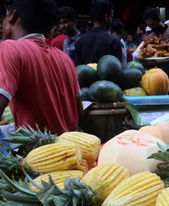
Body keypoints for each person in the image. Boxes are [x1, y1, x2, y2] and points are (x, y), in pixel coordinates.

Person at [0, 0, 82, 135]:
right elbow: (79, 112)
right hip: (71, 151)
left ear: (13, 16)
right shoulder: (65, 59)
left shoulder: (9, 48)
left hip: (34, 154)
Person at [75, 0, 122, 65]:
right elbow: (117, 70)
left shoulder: (79, 42)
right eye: (111, 16)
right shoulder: (114, 42)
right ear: (106, 16)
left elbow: (78, 69)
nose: (111, 20)